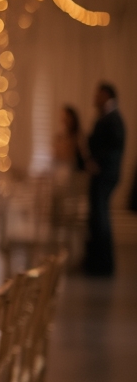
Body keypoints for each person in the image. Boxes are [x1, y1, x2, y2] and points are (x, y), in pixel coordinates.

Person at [83, 82, 125, 276]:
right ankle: (98, 263)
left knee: (101, 219)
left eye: (98, 94)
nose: (95, 98)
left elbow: (114, 148)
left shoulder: (113, 118)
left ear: (106, 95)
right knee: (99, 218)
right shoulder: (108, 117)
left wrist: (98, 162)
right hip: (103, 174)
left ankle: (102, 264)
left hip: (104, 175)